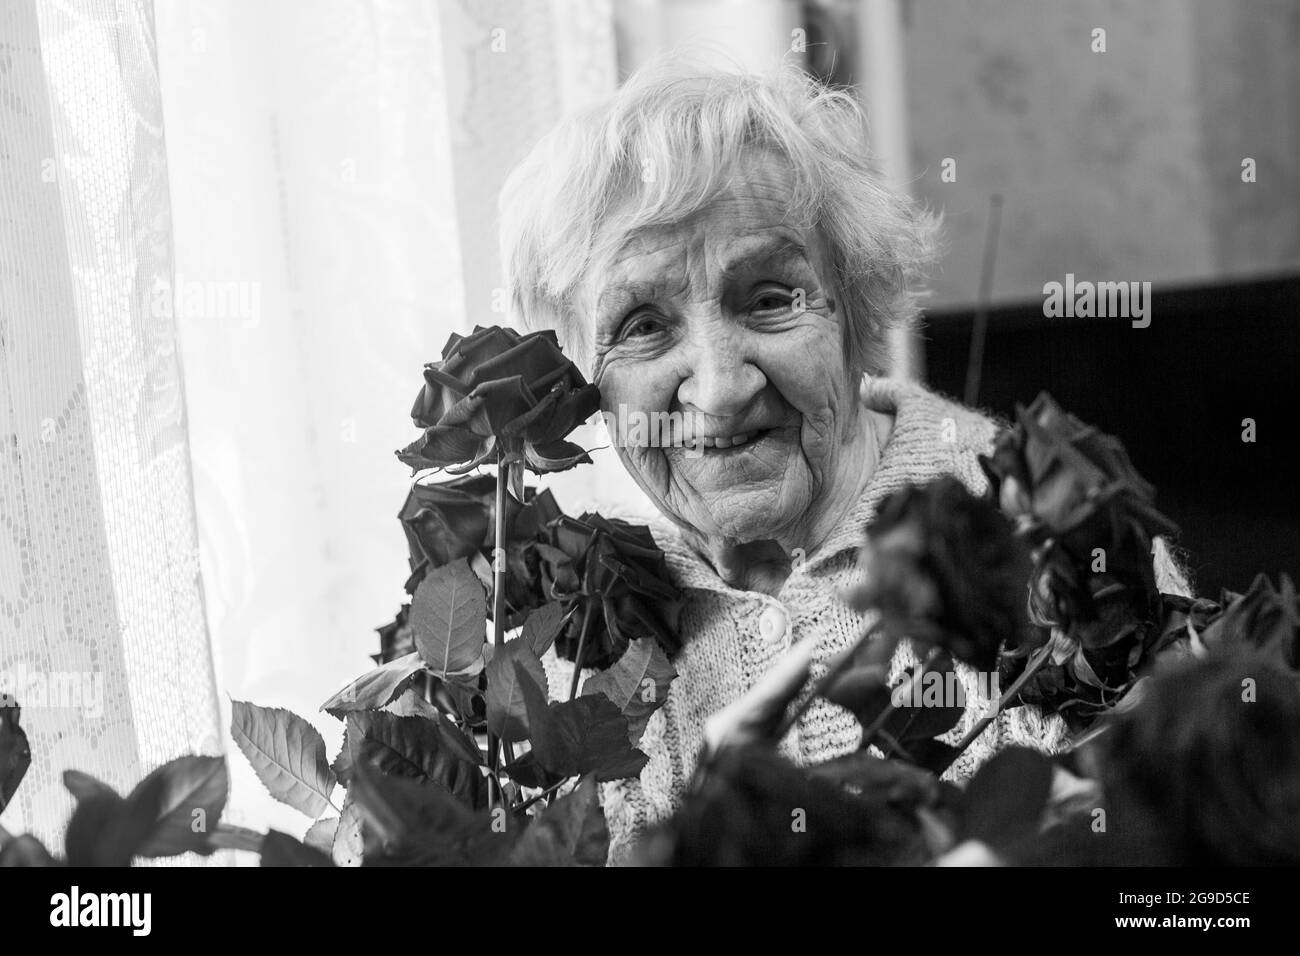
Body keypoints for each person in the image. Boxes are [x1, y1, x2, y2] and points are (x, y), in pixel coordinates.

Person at [498, 58, 1187, 864]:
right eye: (644, 325)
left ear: (858, 310)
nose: (719, 388)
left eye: (768, 298)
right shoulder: (576, 638)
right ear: (582, 381)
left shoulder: (1059, 530)